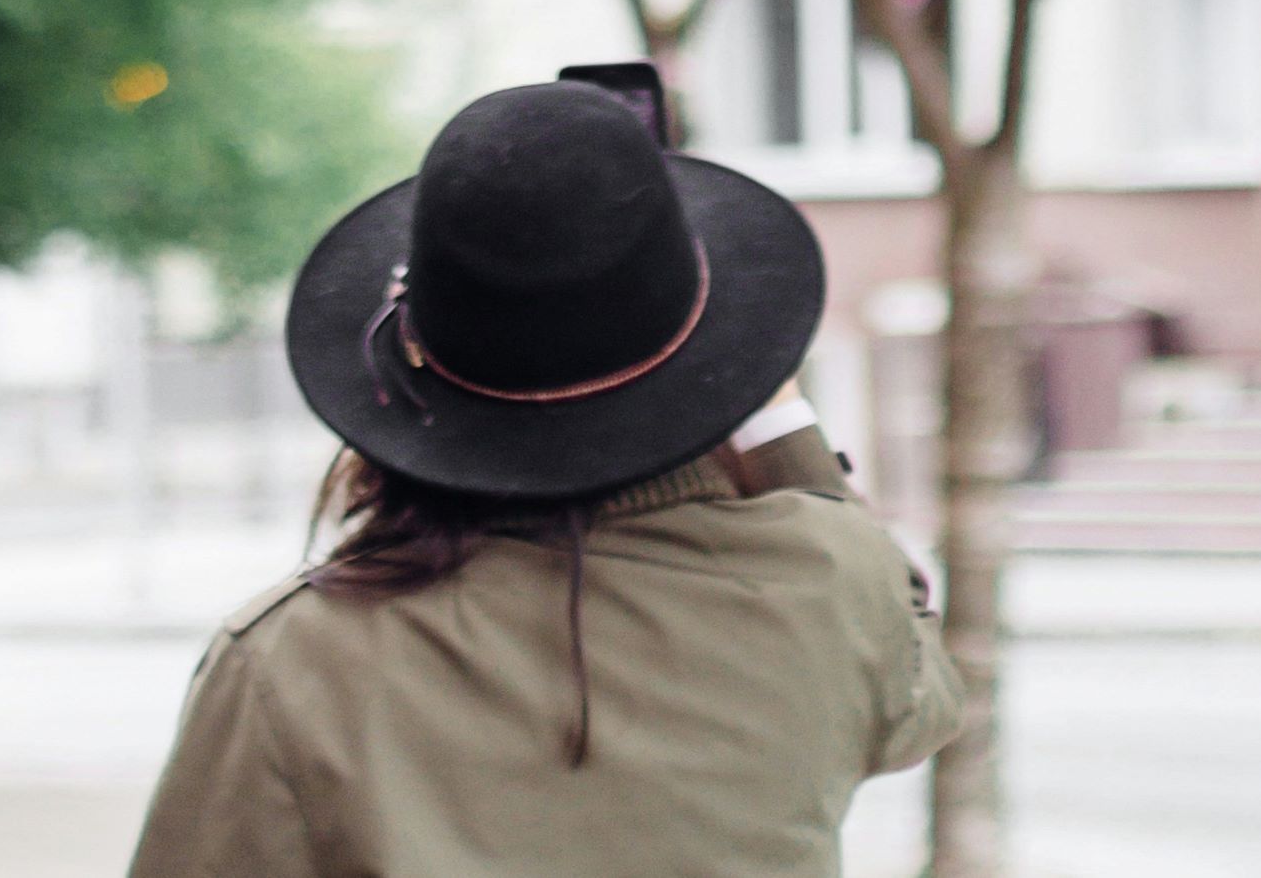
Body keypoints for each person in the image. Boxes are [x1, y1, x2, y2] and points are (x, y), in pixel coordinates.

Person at [125, 66, 962, 877]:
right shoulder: (829, 584)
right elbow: (918, 697)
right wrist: (780, 425)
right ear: (716, 362)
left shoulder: (289, 665)